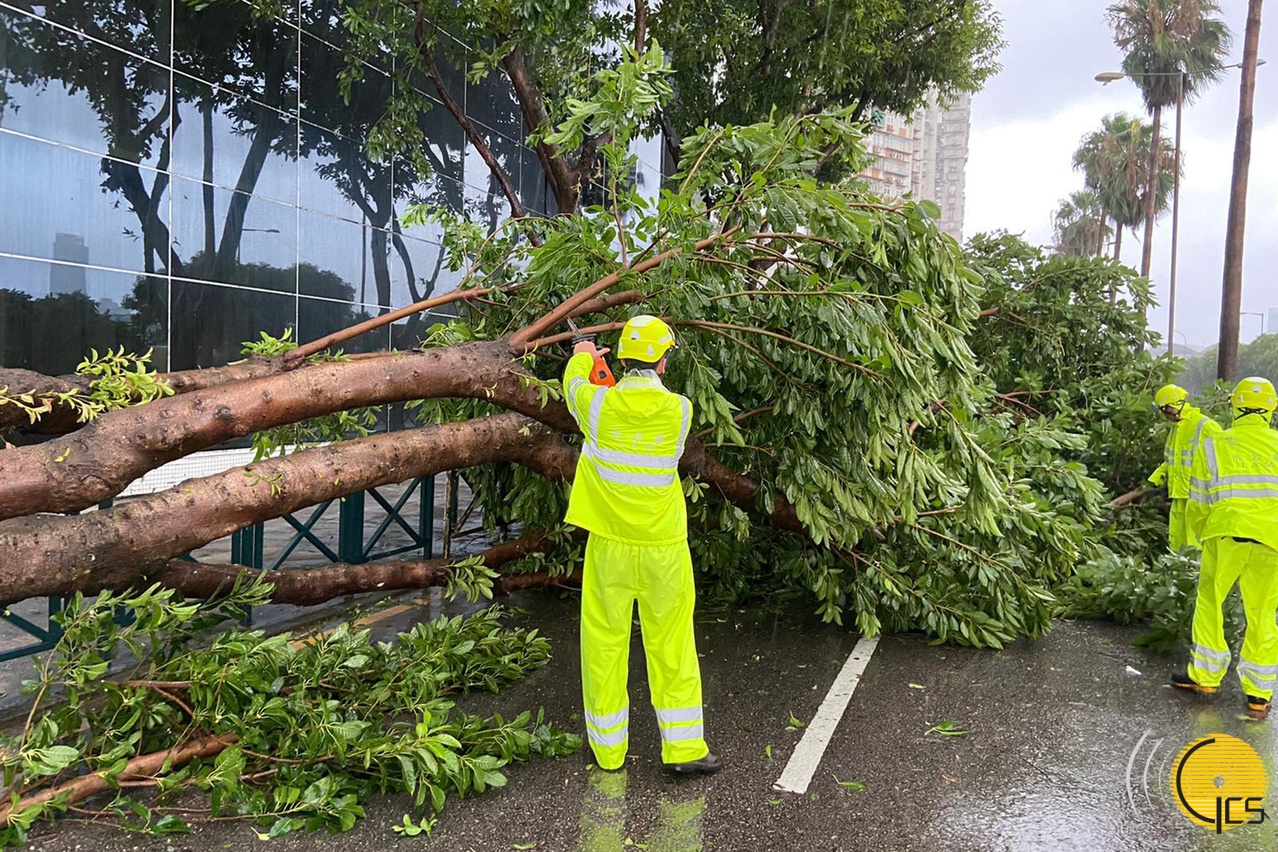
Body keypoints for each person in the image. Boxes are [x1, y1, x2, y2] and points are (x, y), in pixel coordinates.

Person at [562, 314, 720, 775]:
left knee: (604, 643)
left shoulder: (596, 407)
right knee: (672, 643)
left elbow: (573, 386)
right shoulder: (681, 411)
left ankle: (609, 752)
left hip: (610, 545)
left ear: (623, 358)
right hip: (664, 549)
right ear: (665, 362)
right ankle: (686, 751)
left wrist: (583, 356)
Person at [1172, 377, 1278, 720]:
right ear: (1271, 409)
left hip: (1226, 534)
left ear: (1235, 405)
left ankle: (1205, 679)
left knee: (1210, 602)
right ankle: (1258, 695)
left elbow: (1199, 501)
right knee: (1263, 614)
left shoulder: (1214, 445)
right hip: (1271, 541)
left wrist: (1204, 535)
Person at [1148, 384, 1222, 551]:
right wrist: (1153, 481)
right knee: (1177, 541)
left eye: (1166, 411)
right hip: (1179, 495)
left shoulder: (1205, 426)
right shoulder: (1177, 429)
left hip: (1198, 497)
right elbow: (1170, 461)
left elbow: (1222, 460)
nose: (1165, 416)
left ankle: (1191, 574)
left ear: (1174, 406)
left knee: (1194, 543)